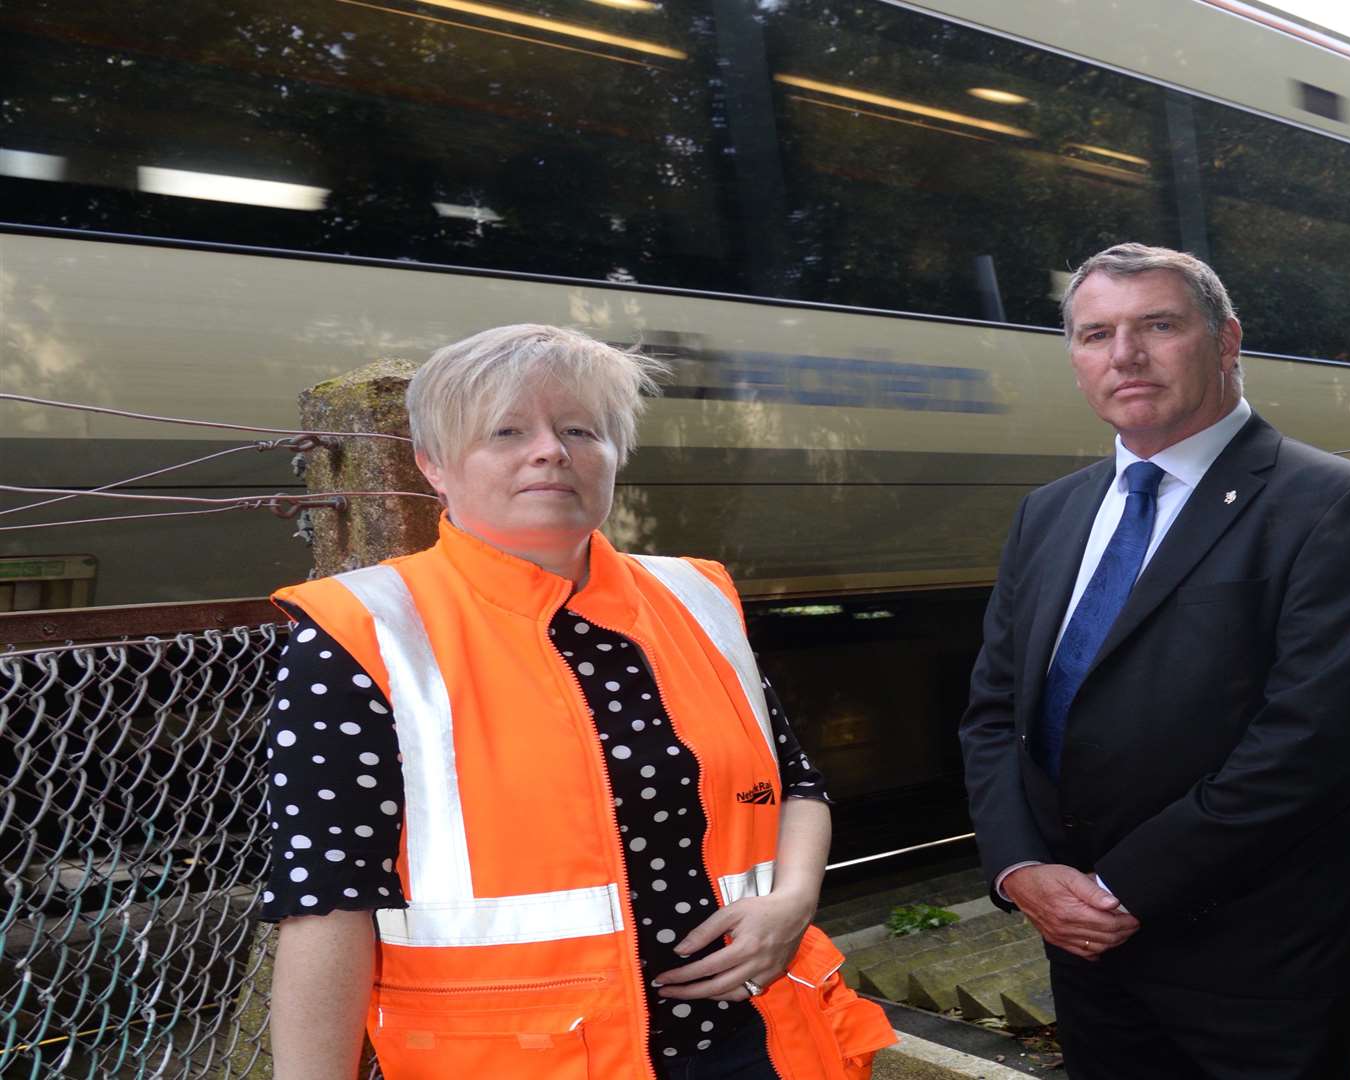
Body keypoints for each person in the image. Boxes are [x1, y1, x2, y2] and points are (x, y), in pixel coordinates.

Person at [262, 324, 892, 1080]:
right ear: (433, 465)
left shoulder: (696, 598)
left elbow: (796, 785)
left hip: (760, 1040)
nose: (551, 451)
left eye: (579, 430)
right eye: (506, 431)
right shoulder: (362, 633)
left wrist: (792, 903)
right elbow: (326, 898)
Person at [958, 244, 1350, 1079]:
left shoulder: (1340, 505)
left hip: (1259, 961)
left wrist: (1120, 891)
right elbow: (994, 712)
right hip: (1087, 955)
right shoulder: (1048, 513)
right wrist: (1022, 869)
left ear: (1227, 340)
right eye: (1095, 335)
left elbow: (1311, 740)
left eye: (1157, 326)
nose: (1123, 355)